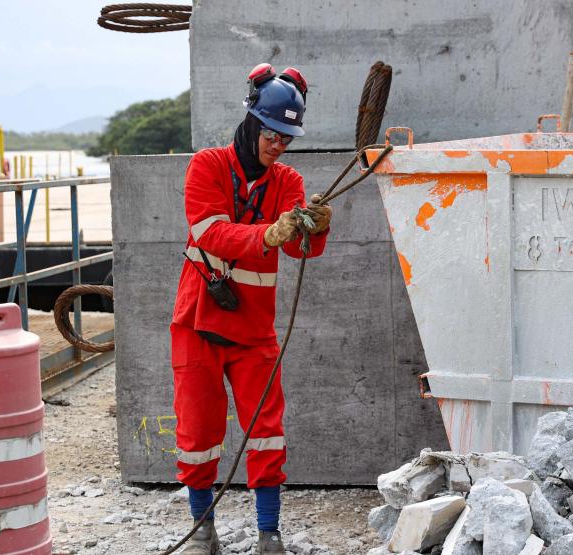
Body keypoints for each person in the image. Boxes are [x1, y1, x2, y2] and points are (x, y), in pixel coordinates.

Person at [169, 63, 331, 555]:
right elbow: (209, 231)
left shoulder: (288, 181)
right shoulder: (208, 166)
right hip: (198, 322)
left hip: (254, 329)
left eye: (286, 137)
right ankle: (203, 532)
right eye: (272, 133)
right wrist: (267, 232)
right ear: (252, 122)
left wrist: (315, 227)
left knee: (265, 433)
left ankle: (269, 534)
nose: (278, 144)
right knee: (197, 432)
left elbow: (303, 252)